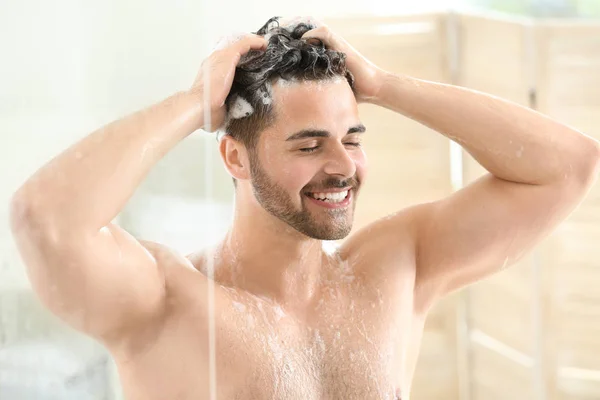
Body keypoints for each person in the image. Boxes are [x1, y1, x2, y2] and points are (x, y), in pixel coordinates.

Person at [9, 16, 600, 400]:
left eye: (353, 137)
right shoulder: (168, 301)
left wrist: (386, 85)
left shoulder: (392, 271)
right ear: (235, 159)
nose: (343, 167)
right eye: (309, 144)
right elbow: (46, 220)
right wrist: (194, 104)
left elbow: (567, 168)